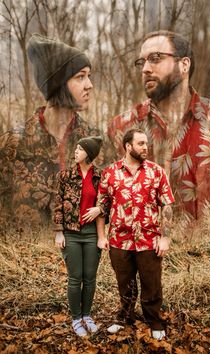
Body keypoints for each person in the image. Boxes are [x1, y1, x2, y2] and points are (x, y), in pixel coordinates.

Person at [108, 30, 210, 221]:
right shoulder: (121, 127)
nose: (145, 69)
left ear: (184, 64)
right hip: (145, 247)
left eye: (155, 58)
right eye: (142, 62)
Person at [0, 33, 101, 228]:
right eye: (80, 77)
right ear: (58, 84)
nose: (90, 85)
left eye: (89, 76)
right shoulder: (10, 146)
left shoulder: (98, 143)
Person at [96, 128, 174, 340]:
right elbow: (101, 207)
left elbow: (166, 205)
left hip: (149, 240)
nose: (145, 147)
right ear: (128, 146)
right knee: (125, 283)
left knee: (152, 283)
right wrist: (101, 236)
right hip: (119, 240)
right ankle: (125, 317)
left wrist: (165, 237)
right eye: (140, 143)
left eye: (146, 143)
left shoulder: (156, 171)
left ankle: (154, 320)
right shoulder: (110, 173)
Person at [54, 135, 103, 337]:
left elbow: (106, 202)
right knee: (75, 278)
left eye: (80, 149)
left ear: (89, 154)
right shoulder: (65, 175)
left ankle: (87, 316)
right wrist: (58, 231)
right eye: (75, 148)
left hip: (91, 233)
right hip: (71, 233)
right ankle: (76, 319)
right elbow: (58, 204)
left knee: (90, 278)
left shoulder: (100, 176)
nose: (76, 151)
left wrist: (99, 208)